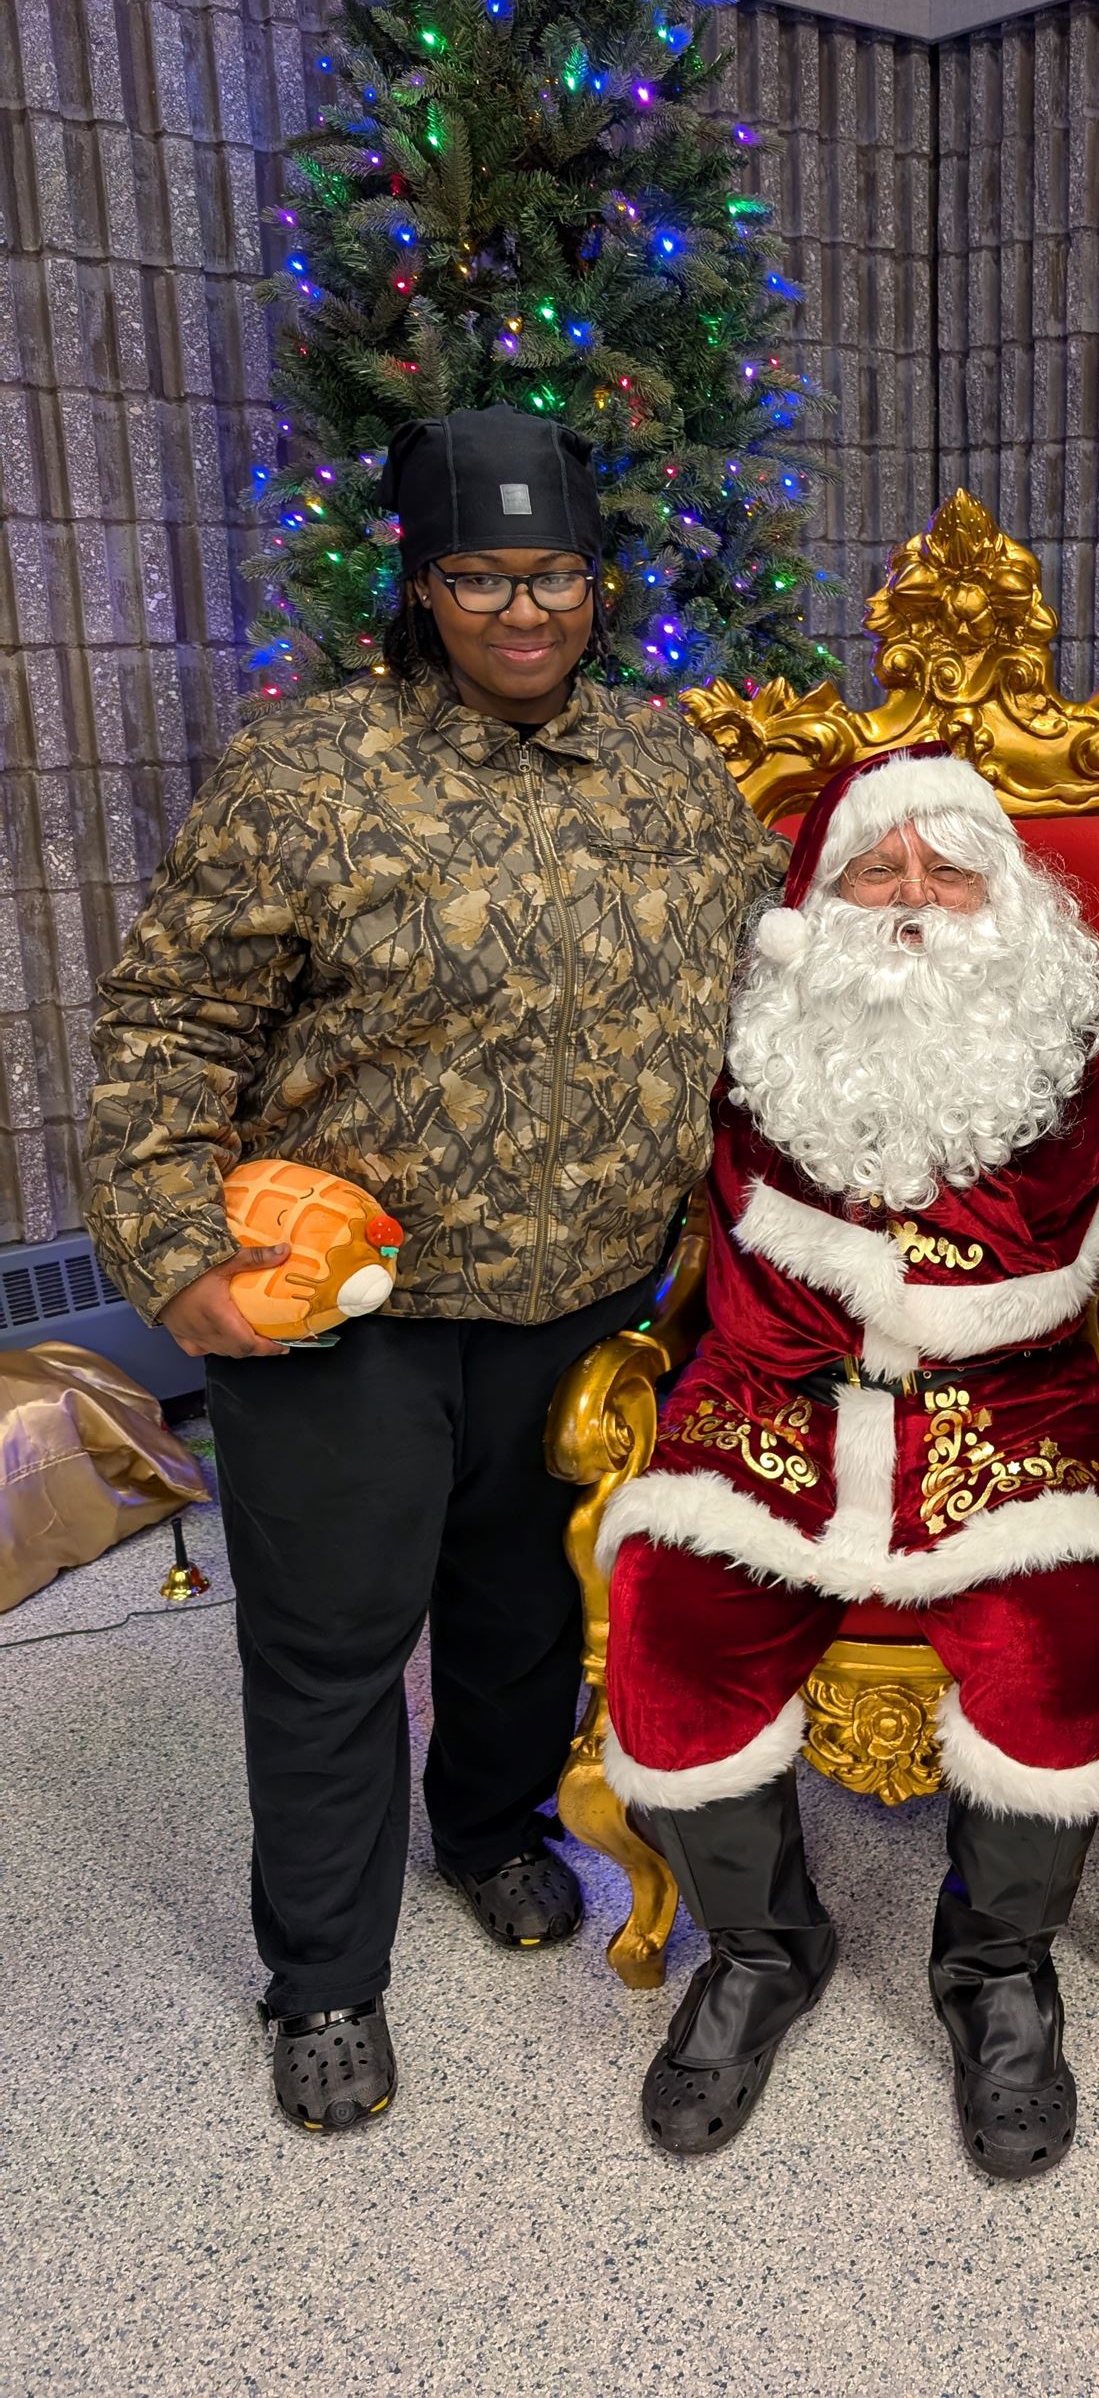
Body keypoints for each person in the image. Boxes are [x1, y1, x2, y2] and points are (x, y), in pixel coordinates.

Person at [84, 408, 786, 2134]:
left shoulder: (668, 773)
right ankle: (324, 1975)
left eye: (555, 575)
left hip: (585, 1296)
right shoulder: (308, 772)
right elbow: (167, 1023)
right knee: (332, 1644)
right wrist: (179, 1255)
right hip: (347, 1309)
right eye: (481, 576)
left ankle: (485, 1829)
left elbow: (765, 994)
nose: (522, 611)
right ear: (422, 584)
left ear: (601, 584)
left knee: (520, 1611)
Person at [598, 747, 1099, 2178]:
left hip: (1013, 1415)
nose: (913, 897)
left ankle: (996, 1974)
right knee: (667, 1628)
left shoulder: (1090, 1032)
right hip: (767, 1406)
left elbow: (1070, 1229)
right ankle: (762, 1950)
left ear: (1009, 893)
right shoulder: (751, 1029)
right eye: (876, 868)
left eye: (949, 868)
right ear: (818, 903)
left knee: (1050, 1661)